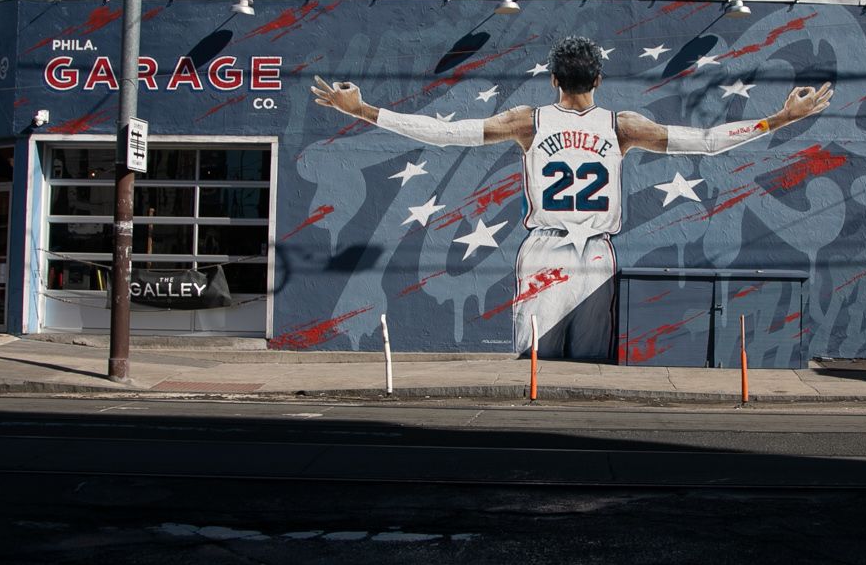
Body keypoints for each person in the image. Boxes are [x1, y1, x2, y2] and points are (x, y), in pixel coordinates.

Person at [312, 35, 832, 360]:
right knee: (590, 361)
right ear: (599, 79)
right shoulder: (622, 125)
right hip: (598, 253)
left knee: (534, 362)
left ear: (555, 79)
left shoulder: (528, 122)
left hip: (543, 246)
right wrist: (779, 118)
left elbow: (446, 134)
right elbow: (709, 142)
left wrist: (367, 112)